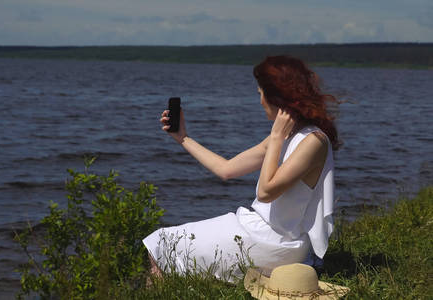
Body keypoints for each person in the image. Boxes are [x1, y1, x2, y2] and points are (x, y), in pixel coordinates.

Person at [143, 55, 340, 281]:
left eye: (260, 94)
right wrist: (183, 138)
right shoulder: (291, 136)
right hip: (259, 231)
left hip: (276, 241)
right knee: (161, 245)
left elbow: (266, 193)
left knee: (161, 245)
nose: (260, 101)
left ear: (275, 97)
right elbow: (226, 169)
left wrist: (275, 138)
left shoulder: (313, 141)